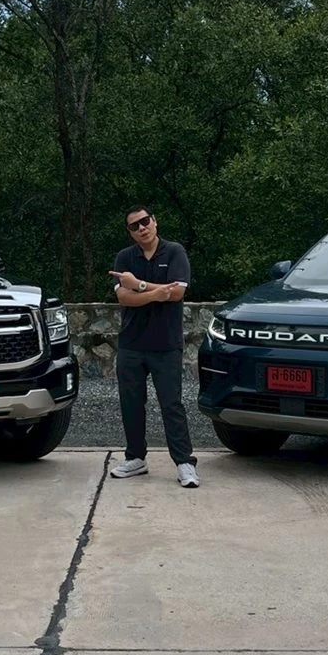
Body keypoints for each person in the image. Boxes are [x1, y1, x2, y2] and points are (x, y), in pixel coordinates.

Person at [108, 205, 199, 487]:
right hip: (131, 344)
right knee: (131, 404)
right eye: (134, 226)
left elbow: (177, 292)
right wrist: (156, 292)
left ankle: (184, 463)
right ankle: (136, 458)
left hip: (166, 344)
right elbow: (124, 298)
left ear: (155, 221)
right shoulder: (125, 257)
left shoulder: (174, 252)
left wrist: (138, 285)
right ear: (130, 232)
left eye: (145, 221)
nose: (142, 228)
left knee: (172, 404)